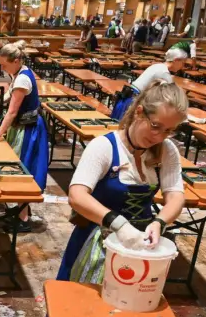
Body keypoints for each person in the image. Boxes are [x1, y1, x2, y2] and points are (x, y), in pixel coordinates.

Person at [54, 81, 188, 285]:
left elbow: (176, 195)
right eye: (155, 126)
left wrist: (159, 222)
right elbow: (77, 195)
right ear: (139, 112)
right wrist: (120, 225)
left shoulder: (167, 150)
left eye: (168, 131)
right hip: (96, 241)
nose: (159, 136)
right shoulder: (104, 147)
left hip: (140, 245)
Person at [0, 41, 49, 232]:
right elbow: (12, 95)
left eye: (4, 65)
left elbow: (11, 113)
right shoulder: (20, 71)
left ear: (16, 60)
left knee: (21, 169)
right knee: (20, 167)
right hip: (24, 126)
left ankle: (24, 219)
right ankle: (22, 212)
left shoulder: (22, 79)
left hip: (28, 130)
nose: (1, 68)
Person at [113, 47, 189, 120]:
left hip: (127, 96)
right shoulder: (164, 73)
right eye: (183, 63)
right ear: (176, 60)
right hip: (132, 101)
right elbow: (173, 98)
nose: (183, 67)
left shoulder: (158, 66)